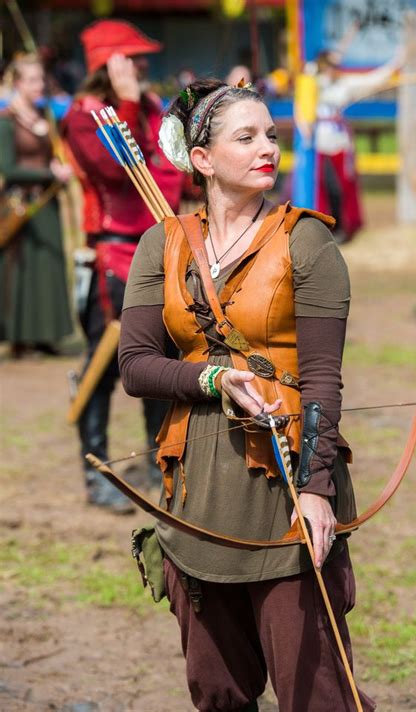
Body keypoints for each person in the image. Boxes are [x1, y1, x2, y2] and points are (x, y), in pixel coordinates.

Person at [118, 78, 375, 710]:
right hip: (196, 491)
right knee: (217, 692)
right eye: (247, 137)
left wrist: (316, 492)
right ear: (202, 160)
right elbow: (136, 365)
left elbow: (321, 378)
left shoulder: (306, 241)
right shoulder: (164, 243)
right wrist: (211, 378)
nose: (268, 149)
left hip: (285, 485)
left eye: (271, 135)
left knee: (315, 693)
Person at [62, 20, 185, 513]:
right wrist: (128, 102)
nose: (142, 66)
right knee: (103, 365)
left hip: (163, 248)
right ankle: (97, 472)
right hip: (113, 254)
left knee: (162, 359)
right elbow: (116, 170)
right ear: (108, 66)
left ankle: (165, 463)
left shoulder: (154, 108)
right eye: (131, 58)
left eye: (141, 58)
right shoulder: (84, 115)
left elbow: (174, 167)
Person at [0, 52, 73, 359]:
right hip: (22, 204)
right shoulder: (7, 122)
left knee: (49, 268)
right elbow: (8, 168)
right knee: (24, 271)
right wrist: (48, 173)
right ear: (17, 83)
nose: (38, 85)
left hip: (49, 202)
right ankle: (21, 338)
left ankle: (46, 336)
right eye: (31, 80)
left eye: (40, 79)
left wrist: (62, 168)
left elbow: (57, 153)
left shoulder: (48, 119)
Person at [311, 49, 405, 243]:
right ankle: (321, 227)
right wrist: (327, 62)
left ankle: (342, 228)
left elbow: (374, 80)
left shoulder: (345, 84)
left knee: (341, 188)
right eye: (330, 66)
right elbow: (309, 73)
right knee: (322, 187)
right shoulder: (313, 81)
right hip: (317, 144)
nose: (334, 69)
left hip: (339, 143)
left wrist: (398, 60)